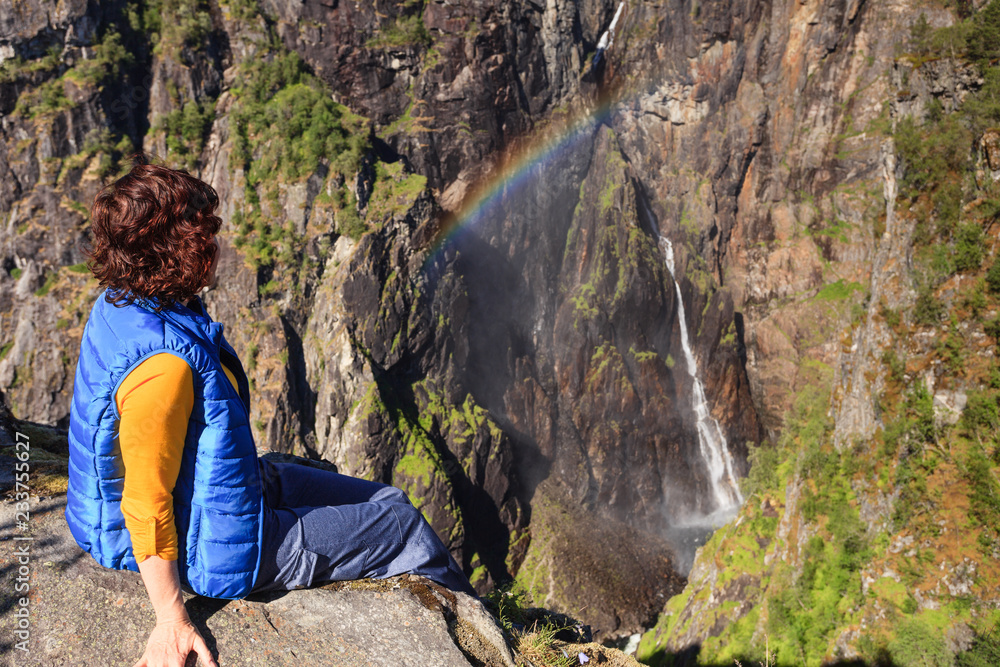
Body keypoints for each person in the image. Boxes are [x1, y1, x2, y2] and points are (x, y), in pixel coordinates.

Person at [65, 154, 473, 667]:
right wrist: (171, 619)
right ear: (175, 250)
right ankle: (476, 631)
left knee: (391, 502)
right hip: (221, 544)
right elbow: (146, 498)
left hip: (221, 495)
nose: (215, 244)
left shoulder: (123, 303)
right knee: (406, 530)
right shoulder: (161, 367)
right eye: (203, 234)